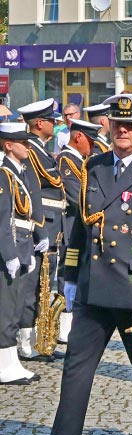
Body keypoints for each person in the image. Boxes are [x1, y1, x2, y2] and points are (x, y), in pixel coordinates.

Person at [23, 94, 132, 435]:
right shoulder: (94, 166)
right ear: (107, 125)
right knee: (76, 364)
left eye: (131, 125)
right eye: (117, 124)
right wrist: (71, 275)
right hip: (95, 283)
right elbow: (81, 226)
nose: (122, 131)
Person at [17, 98, 65, 362]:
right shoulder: (33, 148)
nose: (55, 125)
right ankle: (27, 341)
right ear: (39, 123)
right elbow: (52, 180)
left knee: (44, 285)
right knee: (33, 285)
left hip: (52, 221)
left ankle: (39, 338)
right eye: (51, 121)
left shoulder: (40, 148)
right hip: (42, 222)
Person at [0, 123, 39, 385]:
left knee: (14, 309)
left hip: (22, 246)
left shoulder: (18, 172)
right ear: (8, 145)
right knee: (6, 309)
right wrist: (10, 253)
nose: (28, 146)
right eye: (22, 142)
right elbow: (3, 218)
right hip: (10, 249)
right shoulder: (4, 174)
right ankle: (4, 366)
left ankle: (11, 361)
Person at [56, 119, 102, 343]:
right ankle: (65, 323)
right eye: (90, 141)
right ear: (78, 137)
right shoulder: (67, 160)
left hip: (80, 222)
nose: (92, 147)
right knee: (68, 269)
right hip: (71, 223)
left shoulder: (82, 161)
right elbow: (77, 195)